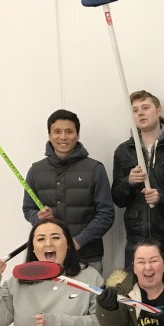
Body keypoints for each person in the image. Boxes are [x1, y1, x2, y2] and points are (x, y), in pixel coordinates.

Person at [23, 109, 114, 274]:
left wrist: (78, 241)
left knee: (91, 293)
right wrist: (38, 218)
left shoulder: (95, 169)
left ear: (77, 135)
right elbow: (28, 208)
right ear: (49, 135)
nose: (63, 137)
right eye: (57, 131)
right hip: (48, 257)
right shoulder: (35, 171)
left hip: (87, 257)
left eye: (69, 132)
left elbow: (106, 214)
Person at [111, 90, 164, 269]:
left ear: (159, 111)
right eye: (135, 110)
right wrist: (128, 182)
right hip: (137, 242)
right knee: (134, 288)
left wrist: (161, 198)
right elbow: (117, 199)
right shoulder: (123, 151)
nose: (140, 113)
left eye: (145, 107)